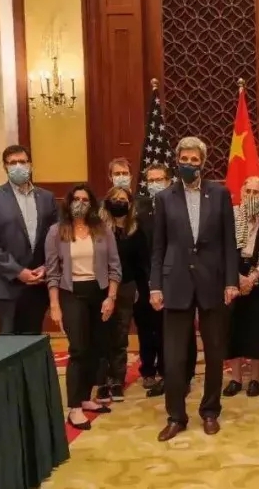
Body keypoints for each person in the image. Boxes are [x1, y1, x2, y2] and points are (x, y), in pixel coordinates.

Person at [149, 136, 238, 440]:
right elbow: (158, 247)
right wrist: (155, 285)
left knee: (214, 352)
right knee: (174, 358)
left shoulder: (220, 193)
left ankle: (210, 411)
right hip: (175, 282)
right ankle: (176, 416)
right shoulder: (164, 197)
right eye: (184, 159)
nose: (188, 164)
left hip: (212, 281)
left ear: (203, 162)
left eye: (194, 159)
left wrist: (231, 281)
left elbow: (229, 242)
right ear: (177, 161)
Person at [45, 184, 121, 430]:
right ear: (69, 203)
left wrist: (111, 297)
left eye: (85, 200)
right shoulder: (56, 232)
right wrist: (55, 305)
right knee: (78, 349)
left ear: (92, 205)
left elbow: (114, 267)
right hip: (71, 294)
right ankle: (74, 407)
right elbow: (52, 272)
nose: (80, 203)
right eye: (76, 199)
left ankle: (86, 397)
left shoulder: (103, 230)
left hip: (99, 293)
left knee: (96, 348)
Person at [0, 144, 58, 334]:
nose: (18, 166)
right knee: (7, 343)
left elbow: (57, 238)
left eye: (22, 161)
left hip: (38, 283)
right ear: (5, 167)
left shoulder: (47, 198)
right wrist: (18, 272)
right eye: (12, 163)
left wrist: (47, 267)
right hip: (6, 285)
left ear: (31, 165)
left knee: (32, 341)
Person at [94, 186, 149, 403]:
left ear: (130, 203)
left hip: (126, 287)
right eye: (115, 198)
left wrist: (139, 289)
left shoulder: (135, 230)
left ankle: (117, 380)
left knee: (120, 335)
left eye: (123, 199)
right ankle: (101, 381)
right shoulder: (97, 229)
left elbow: (142, 264)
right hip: (100, 287)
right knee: (101, 335)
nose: (119, 202)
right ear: (107, 202)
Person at [224, 176, 259, 397]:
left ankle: (254, 379)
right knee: (231, 329)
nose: (252, 196)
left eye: (256, 192)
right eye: (248, 191)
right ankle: (235, 379)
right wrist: (235, 278)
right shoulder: (231, 215)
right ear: (242, 193)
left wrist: (253, 277)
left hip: (258, 278)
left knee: (257, 329)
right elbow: (223, 247)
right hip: (231, 277)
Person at [134, 163, 170, 393]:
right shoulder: (139, 209)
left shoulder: (175, 206)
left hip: (171, 278)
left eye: (159, 179)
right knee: (146, 328)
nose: (155, 184)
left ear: (168, 181)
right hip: (143, 279)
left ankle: (168, 371)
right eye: (151, 180)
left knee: (168, 329)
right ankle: (148, 370)